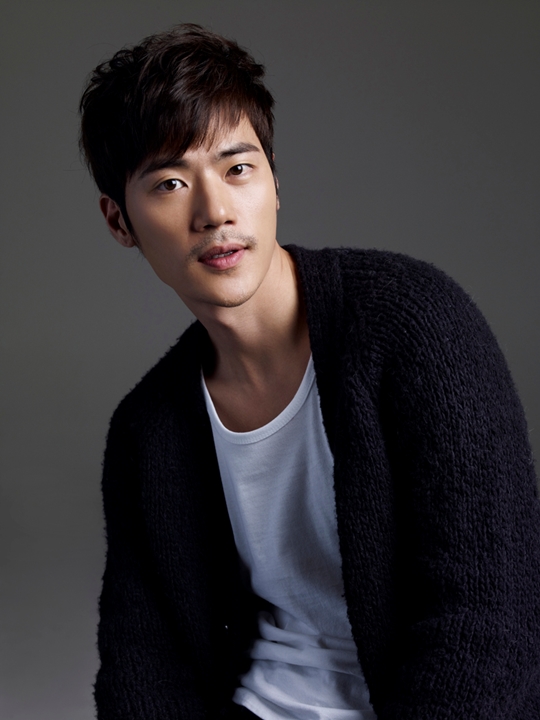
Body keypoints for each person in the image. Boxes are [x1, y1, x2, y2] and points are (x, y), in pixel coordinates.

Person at [79, 24, 540, 720]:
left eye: (238, 169)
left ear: (274, 181)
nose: (215, 212)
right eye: (171, 183)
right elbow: (143, 671)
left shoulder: (415, 325)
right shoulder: (147, 432)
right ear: (120, 221)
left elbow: (488, 625)